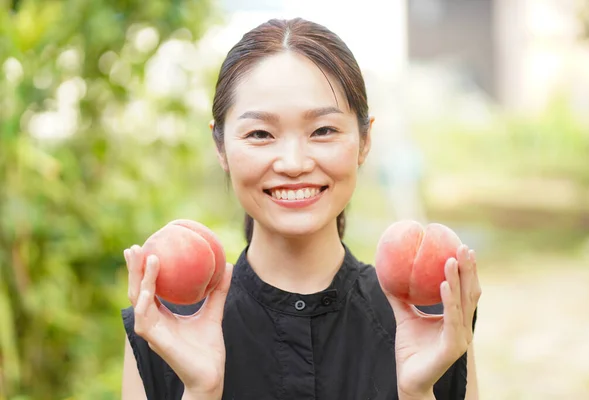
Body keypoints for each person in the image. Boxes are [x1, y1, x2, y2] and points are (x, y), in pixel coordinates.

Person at [121, 18, 481, 400]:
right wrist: (201, 390)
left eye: (323, 130)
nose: (293, 163)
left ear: (364, 139)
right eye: (260, 133)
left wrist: (415, 392)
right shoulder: (164, 328)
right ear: (221, 146)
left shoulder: (432, 318)